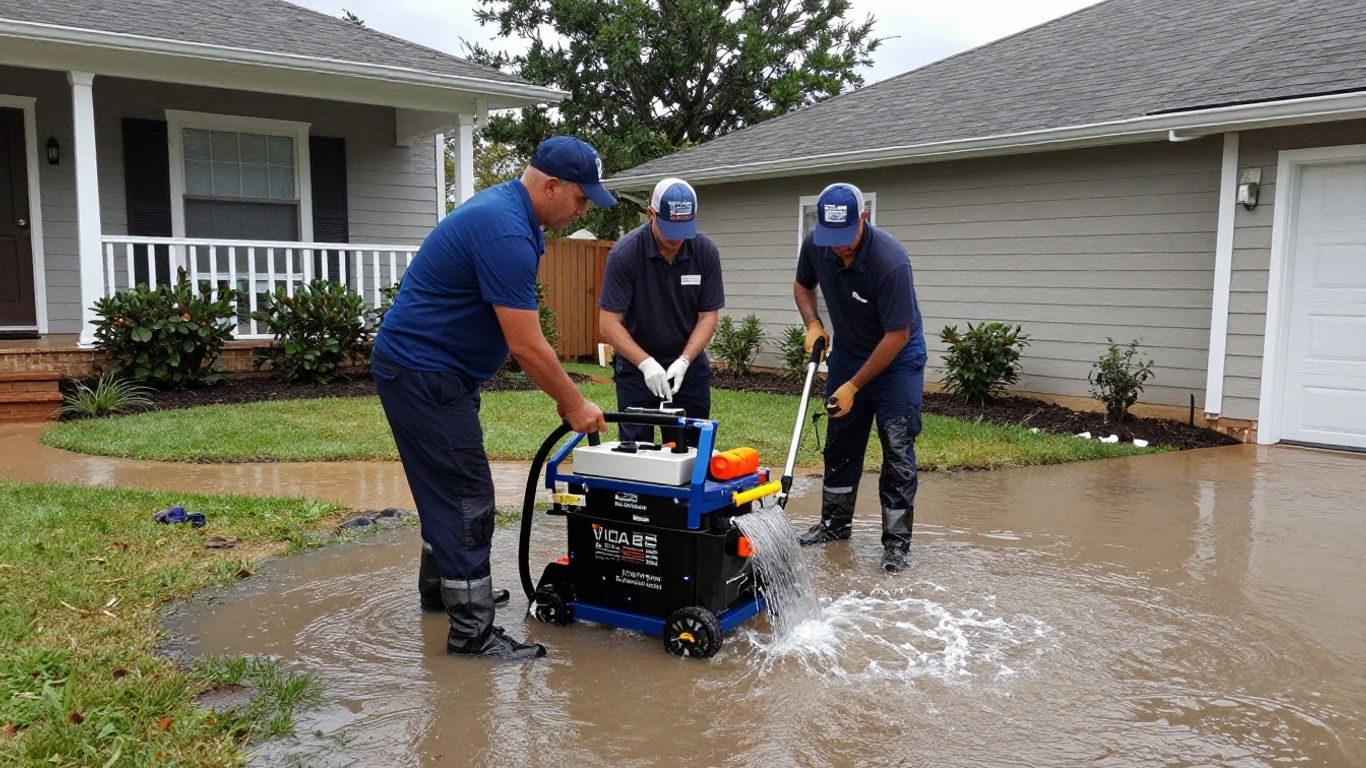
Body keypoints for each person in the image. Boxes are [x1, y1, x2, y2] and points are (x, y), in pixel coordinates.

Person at [372, 136, 611, 661]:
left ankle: (446, 592)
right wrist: (575, 403)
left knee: (447, 488)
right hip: (426, 373)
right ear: (550, 185)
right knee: (466, 496)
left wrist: (564, 393)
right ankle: (473, 634)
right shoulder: (505, 229)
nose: (584, 208)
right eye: (580, 197)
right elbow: (526, 343)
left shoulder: (511, 215)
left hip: (431, 371)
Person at [792, 183, 926, 573]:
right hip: (849, 356)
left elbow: (897, 335)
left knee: (897, 451)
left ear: (863, 218)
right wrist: (813, 323)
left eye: (846, 239)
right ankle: (834, 526)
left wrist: (854, 386)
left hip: (897, 362)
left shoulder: (890, 261)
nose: (839, 248)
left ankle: (896, 544)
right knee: (840, 443)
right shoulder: (818, 244)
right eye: (832, 240)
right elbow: (803, 285)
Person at [598, 177, 724, 444]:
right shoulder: (625, 254)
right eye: (670, 229)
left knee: (690, 451)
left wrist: (685, 360)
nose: (678, 238)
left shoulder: (705, 251)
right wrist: (646, 364)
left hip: (688, 370)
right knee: (636, 452)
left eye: (684, 229)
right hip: (636, 370)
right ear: (651, 214)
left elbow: (708, 316)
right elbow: (609, 323)